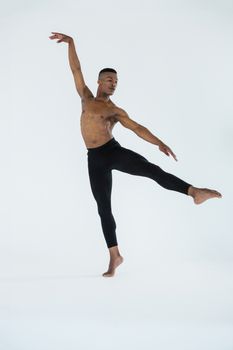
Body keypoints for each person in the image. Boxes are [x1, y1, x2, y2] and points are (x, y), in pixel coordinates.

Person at [49, 32, 222, 277]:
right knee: (103, 207)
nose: (113, 84)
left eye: (116, 81)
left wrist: (158, 143)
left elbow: (137, 128)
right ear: (99, 82)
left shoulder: (114, 110)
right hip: (94, 159)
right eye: (109, 80)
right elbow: (76, 69)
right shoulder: (86, 98)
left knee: (152, 170)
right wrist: (72, 43)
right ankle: (115, 256)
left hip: (112, 152)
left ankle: (194, 192)